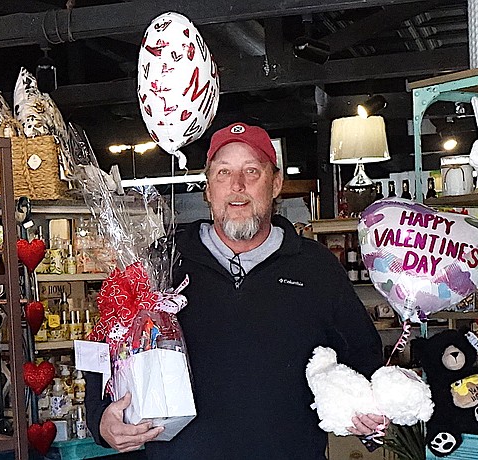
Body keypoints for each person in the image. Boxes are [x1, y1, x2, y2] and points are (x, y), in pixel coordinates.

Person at [85, 122, 387, 459]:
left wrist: (370, 412)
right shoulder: (163, 263)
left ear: (276, 184)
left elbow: (363, 354)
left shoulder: (315, 267)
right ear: (208, 189)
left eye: (252, 172)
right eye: (223, 173)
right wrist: (100, 420)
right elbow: (108, 343)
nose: (237, 186)